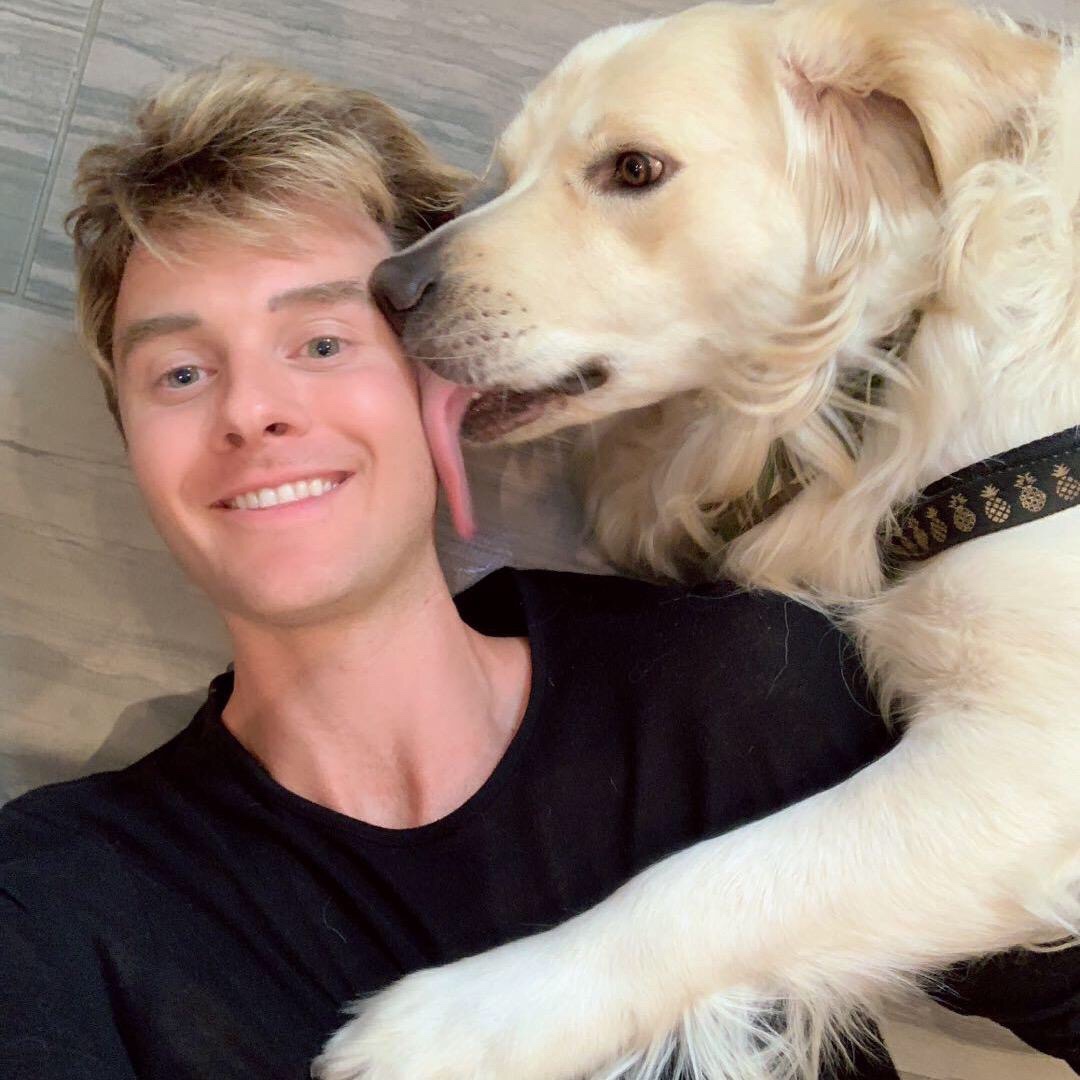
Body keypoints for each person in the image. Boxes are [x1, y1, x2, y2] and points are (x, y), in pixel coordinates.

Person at [0, 60, 1075, 1080]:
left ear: (444, 388)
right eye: (180, 373)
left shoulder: (742, 692)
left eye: (322, 343)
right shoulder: (56, 907)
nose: (250, 410)